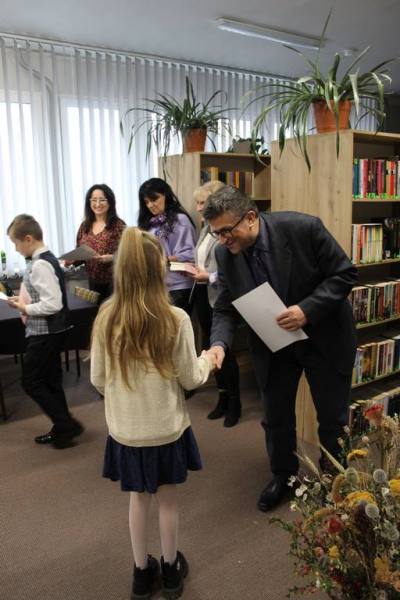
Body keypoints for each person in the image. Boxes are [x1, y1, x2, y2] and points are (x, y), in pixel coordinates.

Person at [203, 186, 358, 512]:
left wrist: (306, 310)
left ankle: (334, 480)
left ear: (250, 217)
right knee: (275, 418)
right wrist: (218, 344)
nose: (222, 240)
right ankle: (284, 476)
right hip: (273, 345)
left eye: (227, 231)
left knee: (332, 419)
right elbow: (225, 307)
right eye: (216, 233)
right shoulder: (224, 254)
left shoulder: (303, 228)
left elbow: (345, 274)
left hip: (324, 337)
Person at [90, 227, 215, 599]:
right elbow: (191, 378)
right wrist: (209, 359)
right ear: (159, 269)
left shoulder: (105, 318)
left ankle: (141, 574)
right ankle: (171, 571)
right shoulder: (175, 318)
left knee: (138, 499)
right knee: (168, 499)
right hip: (166, 429)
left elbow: (98, 379)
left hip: (126, 431)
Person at [7, 214, 84, 448]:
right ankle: (63, 427)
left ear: (28, 239)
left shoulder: (40, 264)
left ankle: (66, 424)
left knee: (31, 381)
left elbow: (53, 304)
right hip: (52, 330)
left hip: (46, 332)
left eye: (16, 243)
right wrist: (23, 301)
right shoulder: (45, 259)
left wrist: (25, 308)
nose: (16, 249)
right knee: (50, 380)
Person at [190, 181, 241, 427]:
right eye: (198, 203)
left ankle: (235, 403)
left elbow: (233, 271)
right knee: (212, 350)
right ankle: (222, 398)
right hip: (203, 294)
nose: (199, 208)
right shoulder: (205, 229)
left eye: (203, 202)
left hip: (220, 295)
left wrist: (209, 276)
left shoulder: (225, 232)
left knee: (225, 352)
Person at [138, 178, 197, 314]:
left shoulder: (180, 219)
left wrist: (166, 259)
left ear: (165, 195)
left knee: (176, 325)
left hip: (178, 285)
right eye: (146, 202)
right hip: (157, 285)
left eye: (154, 199)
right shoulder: (150, 223)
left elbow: (192, 253)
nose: (150, 205)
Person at [76, 184, 126, 302]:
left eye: (102, 200)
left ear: (110, 202)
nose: (97, 204)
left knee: (111, 313)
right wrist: (71, 261)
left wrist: (112, 258)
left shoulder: (119, 226)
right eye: (94, 200)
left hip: (113, 283)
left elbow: (129, 254)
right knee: (94, 312)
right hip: (91, 282)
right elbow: (80, 252)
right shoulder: (84, 226)